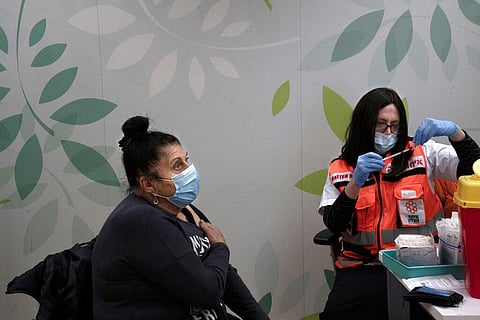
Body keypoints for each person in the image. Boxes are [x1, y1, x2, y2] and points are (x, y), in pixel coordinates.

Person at [317, 87, 480, 320]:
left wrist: (456, 132)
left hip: (421, 268)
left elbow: (475, 168)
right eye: (381, 124)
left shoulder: (423, 153)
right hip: (364, 268)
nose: (389, 131)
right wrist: (355, 182)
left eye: (395, 124)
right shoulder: (341, 168)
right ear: (365, 124)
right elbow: (334, 223)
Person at [91, 116, 269, 320]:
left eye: (187, 160)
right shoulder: (142, 221)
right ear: (148, 184)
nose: (189, 170)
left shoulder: (182, 208)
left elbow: (223, 275)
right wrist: (220, 246)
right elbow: (209, 293)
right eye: (177, 165)